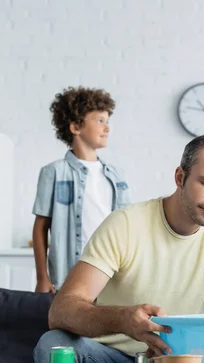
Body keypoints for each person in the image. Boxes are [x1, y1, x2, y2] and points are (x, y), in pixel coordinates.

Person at [33, 134, 204, 363]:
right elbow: (61, 311)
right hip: (109, 361)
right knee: (53, 343)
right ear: (180, 177)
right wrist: (124, 320)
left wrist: (188, 347)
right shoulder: (125, 224)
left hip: (174, 361)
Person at [32, 86, 131, 293]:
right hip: (68, 276)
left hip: (111, 273)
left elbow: (127, 226)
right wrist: (43, 278)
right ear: (76, 127)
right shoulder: (54, 172)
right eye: (100, 121)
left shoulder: (117, 175)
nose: (107, 128)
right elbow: (41, 227)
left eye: (108, 121)